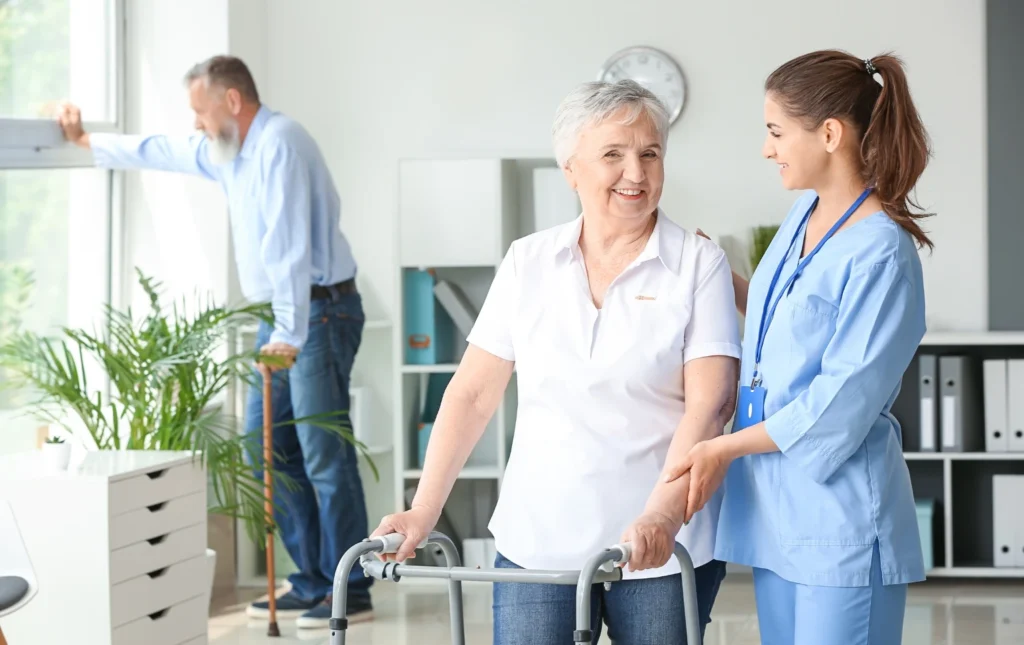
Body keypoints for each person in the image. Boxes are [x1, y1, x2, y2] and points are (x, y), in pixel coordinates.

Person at [370, 79, 742, 645]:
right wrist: (423, 510)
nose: (636, 173)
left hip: (660, 544)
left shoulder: (698, 263)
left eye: (649, 153)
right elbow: (472, 395)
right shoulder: (529, 261)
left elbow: (710, 406)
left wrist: (662, 516)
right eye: (613, 155)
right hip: (536, 539)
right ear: (571, 170)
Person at [56, 55, 373, 628]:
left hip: (316, 315)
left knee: (325, 454)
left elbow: (290, 250)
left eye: (201, 112)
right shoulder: (232, 152)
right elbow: (163, 149)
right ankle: (313, 579)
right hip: (278, 320)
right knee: (265, 451)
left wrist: (289, 335)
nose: (197, 125)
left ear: (231, 102)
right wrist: (89, 143)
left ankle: (351, 590)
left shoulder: (279, 142)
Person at [675, 50, 932, 645]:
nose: (767, 149)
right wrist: (714, 273)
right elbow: (779, 317)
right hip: (778, 512)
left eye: (775, 132)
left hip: (838, 517)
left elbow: (839, 402)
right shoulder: (802, 216)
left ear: (831, 134)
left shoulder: (882, 254)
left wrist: (721, 448)